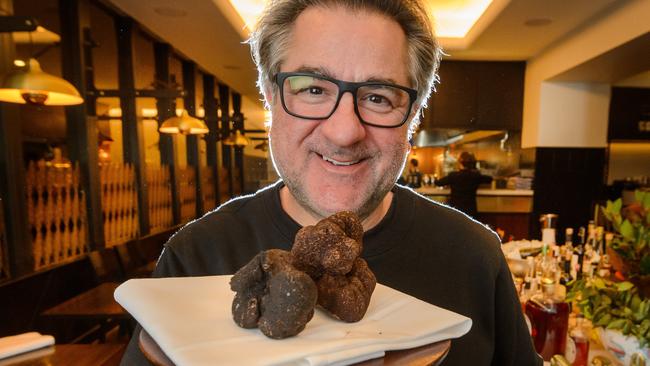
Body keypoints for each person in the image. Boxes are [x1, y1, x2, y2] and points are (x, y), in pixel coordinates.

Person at [121, 1, 541, 365]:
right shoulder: (194, 255)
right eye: (313, 89)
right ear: (270, 95)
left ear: (412, 116)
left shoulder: (475, 257)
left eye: (378, 97)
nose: (344, 132)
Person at [434, 151, 493, 218]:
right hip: (470, 209)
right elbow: (489, 179)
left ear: (460, 163)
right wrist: (475, 170)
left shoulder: (453, 175)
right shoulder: (475, 176)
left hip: (456, 209)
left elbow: (438, 183)